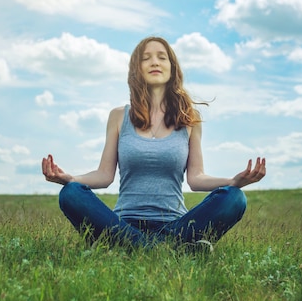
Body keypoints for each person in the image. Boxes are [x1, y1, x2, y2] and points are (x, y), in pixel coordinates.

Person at [42, 36, 266, 250]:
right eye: (146, 57)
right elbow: (104, 175)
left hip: (175, 225)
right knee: (71, 193)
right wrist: (69, 179)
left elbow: (196, 179)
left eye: (161, 56)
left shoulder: (190, 119)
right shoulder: (119, 116)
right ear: (136, 69)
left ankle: (130, 247)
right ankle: (172, 249)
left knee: (235, 198)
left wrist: (233, 180)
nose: (154, 62)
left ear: (172, 67)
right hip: (124, 224)